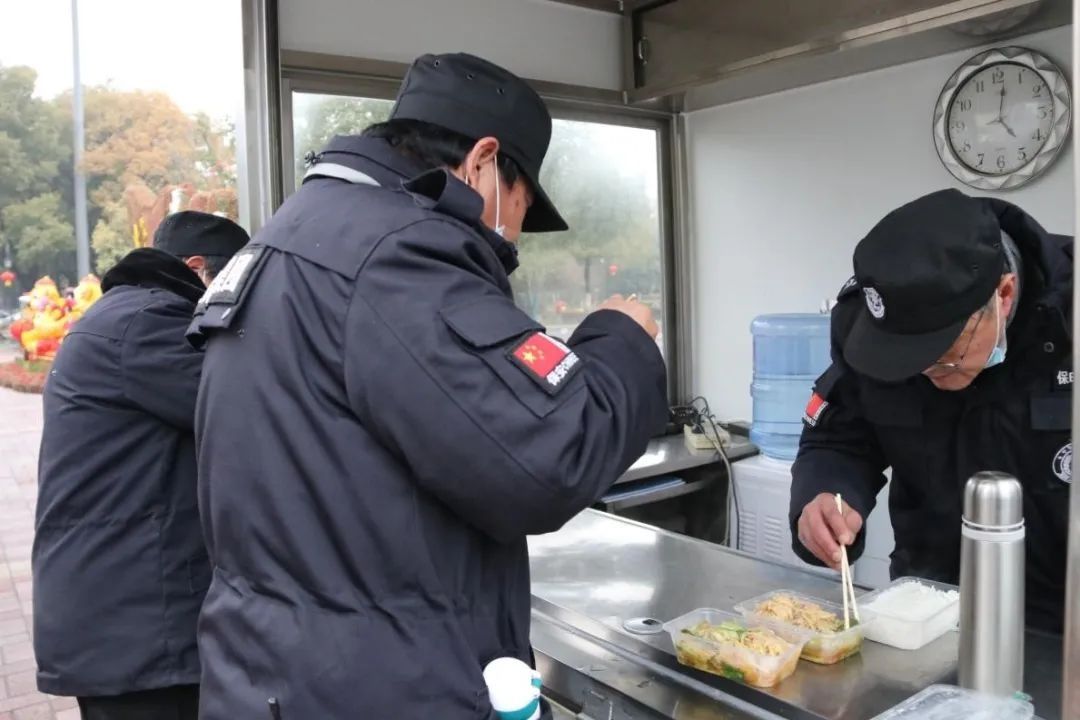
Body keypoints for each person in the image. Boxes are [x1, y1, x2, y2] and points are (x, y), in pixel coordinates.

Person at [188, 52, 668, 719]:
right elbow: (550, 458)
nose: (517, 233)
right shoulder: (397, 255)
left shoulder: (290, 237)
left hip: (274, 675)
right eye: (523, 203)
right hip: (380, 690)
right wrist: (622, 339)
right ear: (483, 162)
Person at [791, 188, 1072, 633]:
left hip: (1063, 623)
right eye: (905, 364)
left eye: (942, 358)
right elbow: (839, 435)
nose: (925, 375)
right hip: (927, 610)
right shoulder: (866, 327)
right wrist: (824, 493)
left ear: (1003, 293)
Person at [33, 211, 250, 720]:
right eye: (236, 279)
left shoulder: (120, 316)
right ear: (199, 269)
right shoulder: (150, 324)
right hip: (138, 625)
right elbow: (247, 408)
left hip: (115, 611)